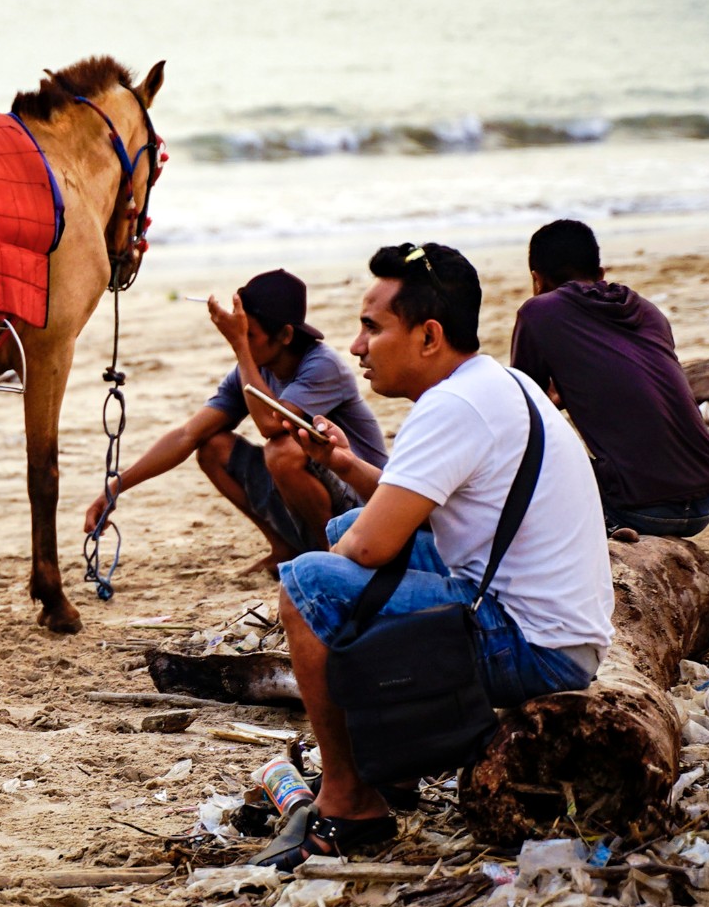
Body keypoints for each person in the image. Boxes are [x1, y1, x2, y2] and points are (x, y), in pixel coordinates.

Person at [258, 243, 613, 864]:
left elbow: (371, 543)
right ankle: (393, 770)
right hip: (561, 630)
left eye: (372, 327)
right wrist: (342, 464)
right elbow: (405, 506)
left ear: (428, 336)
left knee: (308, 585)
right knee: (345, 529)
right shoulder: (492, 383)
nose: (356, 346)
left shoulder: (451, 407)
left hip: (532, 645)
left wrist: (340, 556)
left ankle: (350, 801)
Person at [83, 269, 387, 571]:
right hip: (311, 501)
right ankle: (284, 548)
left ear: (285, 336)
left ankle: (332, 558)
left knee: (282, 449)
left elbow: (272, 426)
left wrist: (240, 346)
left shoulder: (322, 364)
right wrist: (115, 488)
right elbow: (187, 435)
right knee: (213, 446)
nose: (241, 341)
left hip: (367, 504)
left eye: (249, 334)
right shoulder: (253, 369)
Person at [510, 220, 709, 537]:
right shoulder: (648, 311)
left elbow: (520, 413)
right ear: (600, 274)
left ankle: (605, 528)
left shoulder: (539, 312)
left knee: (522, 459)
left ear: (536, 279)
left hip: (646, 507)